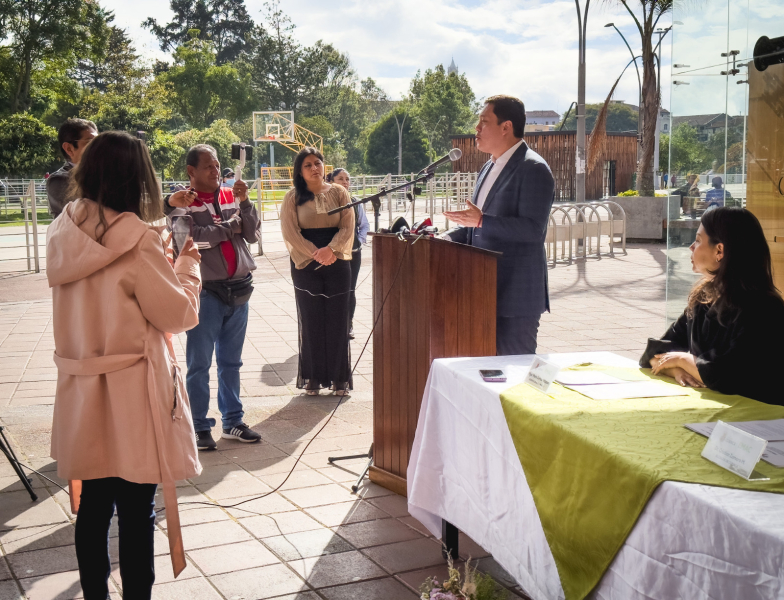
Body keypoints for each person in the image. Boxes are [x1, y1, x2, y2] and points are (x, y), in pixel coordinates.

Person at [46, 131, 203, 598]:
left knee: (92, 505)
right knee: (136, 509)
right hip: (133, 390)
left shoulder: (62, 230)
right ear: (136, 177)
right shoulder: (138, 240)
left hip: (80, 387)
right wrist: (188, 268)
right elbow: (177, 315)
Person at [165, 144, 262, 450]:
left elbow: (251, 233)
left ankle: (233, 421)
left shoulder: (230, 195)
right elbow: (189, 239)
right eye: (208, 166)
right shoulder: (183, 201)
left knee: (231, 362)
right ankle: (199, 426)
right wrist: (228, 227)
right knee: (198, 364)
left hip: (240, 289)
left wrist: (244, 204)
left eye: (218, 165)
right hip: (206, 293)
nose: (216, 171)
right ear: (191, 172)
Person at [443, 95, 555, 355]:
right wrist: (445, 237)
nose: (476, 128)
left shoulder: (533, 168)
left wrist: (481, 220)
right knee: (486, 374)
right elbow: (478, 225)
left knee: (514, 374)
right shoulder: (488, 167)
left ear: (506, 127)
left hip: (515, 297)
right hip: (483, 291)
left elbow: (532, 230)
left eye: (484, 121)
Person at [641, 207, 784, 404]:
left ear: (719, 251)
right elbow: (654, 352)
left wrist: (683, 360)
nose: (691, 247)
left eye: (698, 240)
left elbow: (727, 375)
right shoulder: (703, 299)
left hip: (758, 421)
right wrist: (674, 369)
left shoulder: (764, 309)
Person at [281, 148, 355, 395]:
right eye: (308, 165)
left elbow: (347, 226)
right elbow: (290, 231)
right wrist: (316, 253)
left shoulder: (340, 192)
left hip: (337, 262)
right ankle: (312, 378)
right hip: (306, 263)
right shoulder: (293, 197)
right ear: (300, 171)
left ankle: (339, 379)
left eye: (317, 163)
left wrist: (331, 250)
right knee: (311, 320)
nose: (314, 168)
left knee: (338, 319)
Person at [327, 168, 370, 339]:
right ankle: (331, 325)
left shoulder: (355, 202)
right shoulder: (325, 203)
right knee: (332, 289)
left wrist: (358, 241)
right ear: (331, 181)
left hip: (352, 253)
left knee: (349, 289)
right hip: (332, 254)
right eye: (340, 179)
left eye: (347, 179)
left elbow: (364, 225)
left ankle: (348, 324)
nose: (345, 182)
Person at [46, 118, 98, 217]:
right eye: (90, 143)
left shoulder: (102, 173)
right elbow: (85, 215)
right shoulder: (58, 180)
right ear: (69, 149)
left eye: (98, 142)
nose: (98, 147)